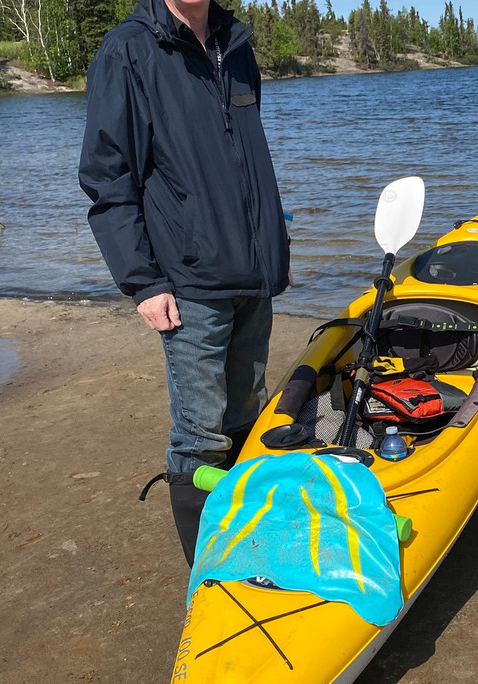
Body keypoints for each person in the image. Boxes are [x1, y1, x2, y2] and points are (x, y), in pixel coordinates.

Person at [78, 0, 290, 566]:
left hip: (251, 278)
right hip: (189, 285)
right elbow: (106, 176)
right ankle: (209, 578)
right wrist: (143, 282)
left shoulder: (237, 44)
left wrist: (274, 254)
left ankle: (252, 552)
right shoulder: (130, 49)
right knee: (200, 438)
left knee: (249, 419)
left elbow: (245, 163)